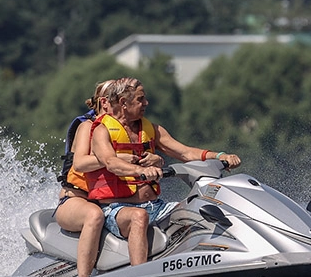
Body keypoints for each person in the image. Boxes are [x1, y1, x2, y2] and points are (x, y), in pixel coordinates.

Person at [87, 77, 241, 265]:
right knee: (139, 216)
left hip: (156, 206)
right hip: (115, 209)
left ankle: (213, 261)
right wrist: (141, 170)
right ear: (123, 103)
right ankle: (139, 276)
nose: (146, 103)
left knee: (194, 210)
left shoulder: (152, 129)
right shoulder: (102, 131)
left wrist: (219, 156)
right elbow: (111, 163)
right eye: (140, 99)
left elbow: (185, 152)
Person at [54, 80, 115, 277]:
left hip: (110, 202)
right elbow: (80, 164)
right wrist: (116, 159)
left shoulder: (125, 130)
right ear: (105, 102)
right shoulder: (88, 127)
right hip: (75, 200)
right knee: (94, 215)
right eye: (121, 100)